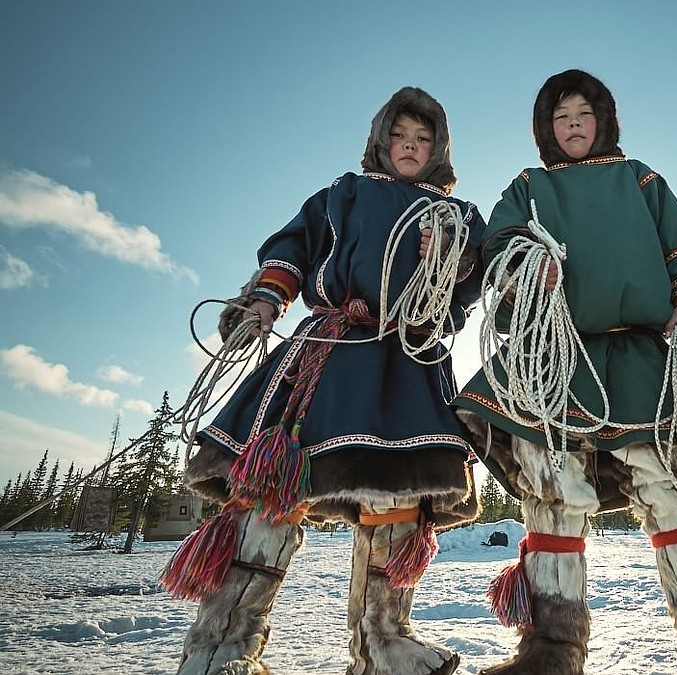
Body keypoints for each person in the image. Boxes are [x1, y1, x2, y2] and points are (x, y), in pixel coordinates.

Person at [452, 69, 677, 675]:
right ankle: (549, 654)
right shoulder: (529, 185)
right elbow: (499, 245)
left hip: (641, 357)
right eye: (562, 117)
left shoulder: (640, 178)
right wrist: (526, 265)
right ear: (545, 129)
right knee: (552, 493)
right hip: (552, 357)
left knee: (672, 494)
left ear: (604, 120)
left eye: (585, 114)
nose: (574, 124)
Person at [163, 86, 485, 675]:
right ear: (380, 142)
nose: (410, 148)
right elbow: (294, 250)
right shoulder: (342, 195)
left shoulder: (459, 216)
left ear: (439, 148)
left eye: (423, 140)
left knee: (398, 501)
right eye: (400, 138)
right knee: (270, 490)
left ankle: (384, 643)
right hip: (329, 351)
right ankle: (223, 644)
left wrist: (447, 275)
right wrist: (262, 302)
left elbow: (469, 287)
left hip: (407, 359)